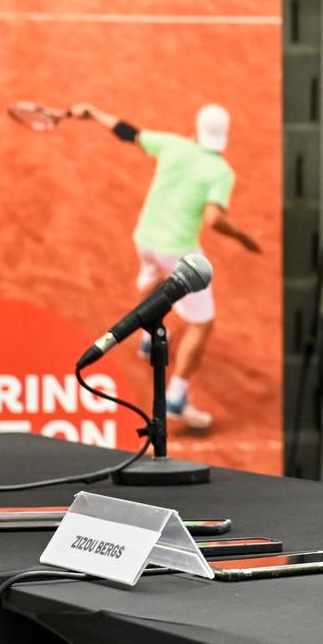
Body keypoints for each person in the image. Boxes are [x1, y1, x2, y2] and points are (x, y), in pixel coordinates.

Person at [70, 102, 260, 431]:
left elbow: (127, 132)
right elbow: (214, 219)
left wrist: (93, 112)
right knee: (202, 324)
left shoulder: (173, 145)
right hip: (178, 251)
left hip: (144, 238)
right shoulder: (221, 172)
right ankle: (176, 396)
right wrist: (243, 237)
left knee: (154, 280)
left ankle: (149, 335)